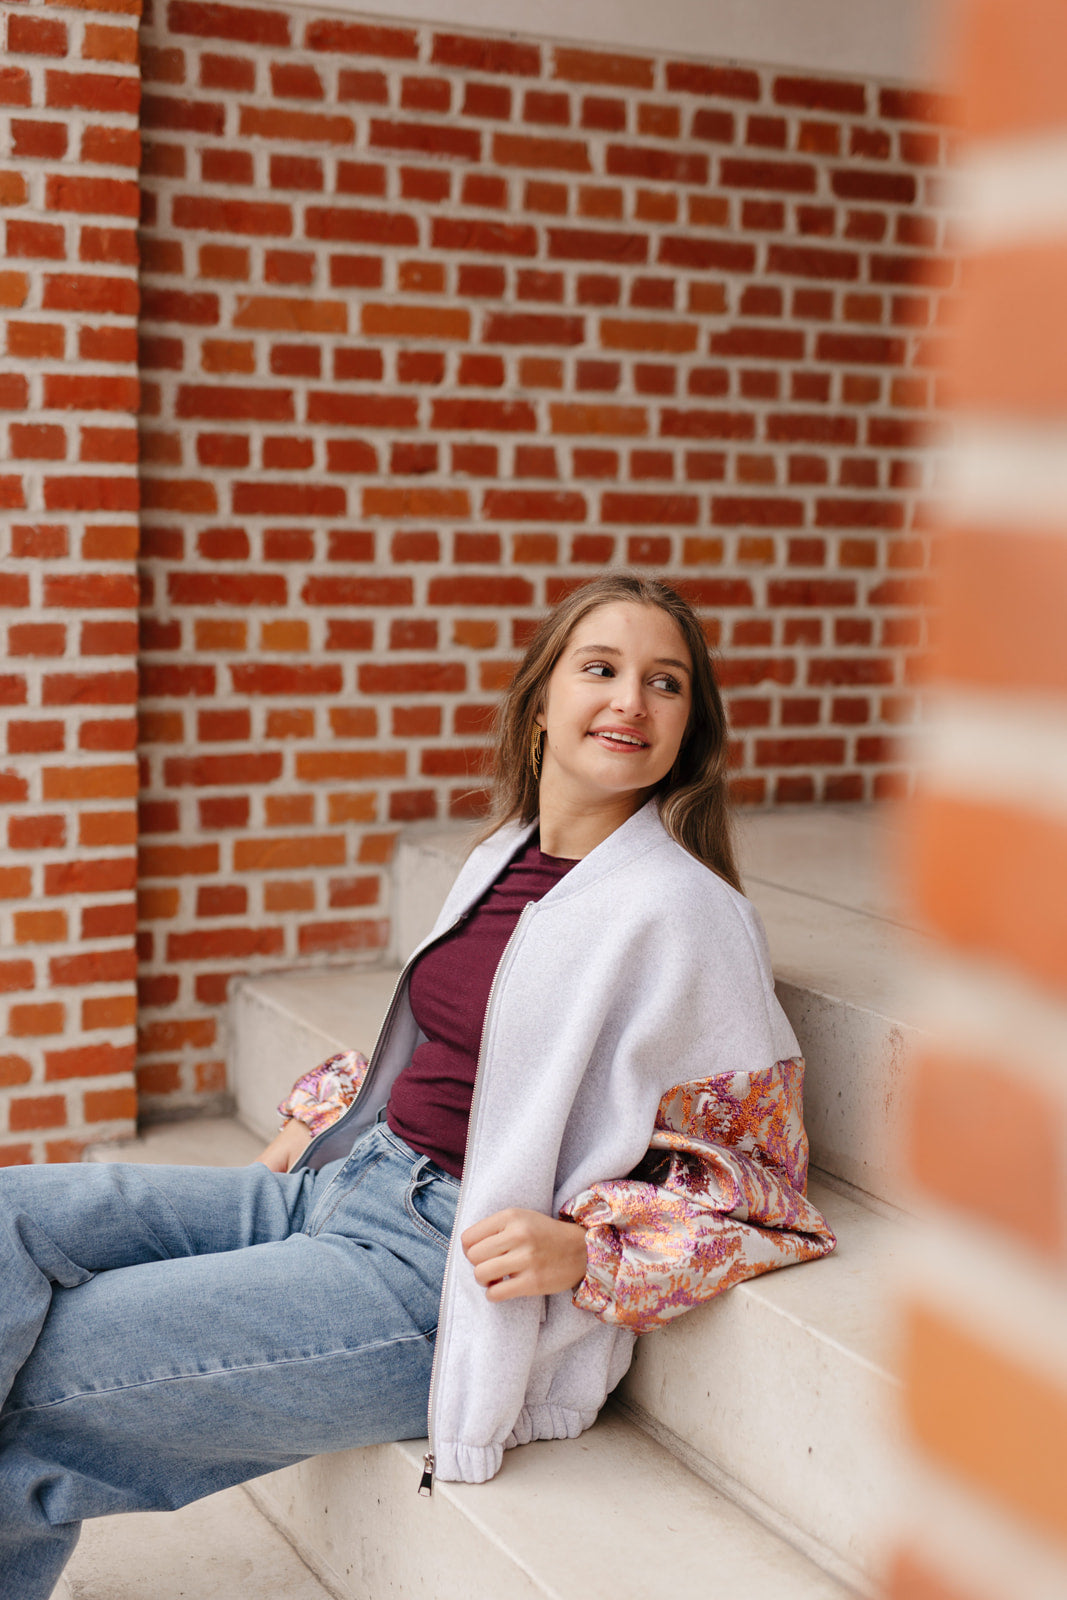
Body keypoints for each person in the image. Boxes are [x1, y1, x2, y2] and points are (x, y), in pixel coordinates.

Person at [0, 573, 834, 1597]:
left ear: (686, 727)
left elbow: (768, 1191)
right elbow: (463, 1042)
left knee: (46, 1386)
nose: (629, 700)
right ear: (540, 702)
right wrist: (324, 1112)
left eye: (664, 684)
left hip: (431, 1273)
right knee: (9, 1214)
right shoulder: (503, 856)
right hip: (339, 1185)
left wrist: (585, 1249)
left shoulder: (684, 913)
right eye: (600, 668)